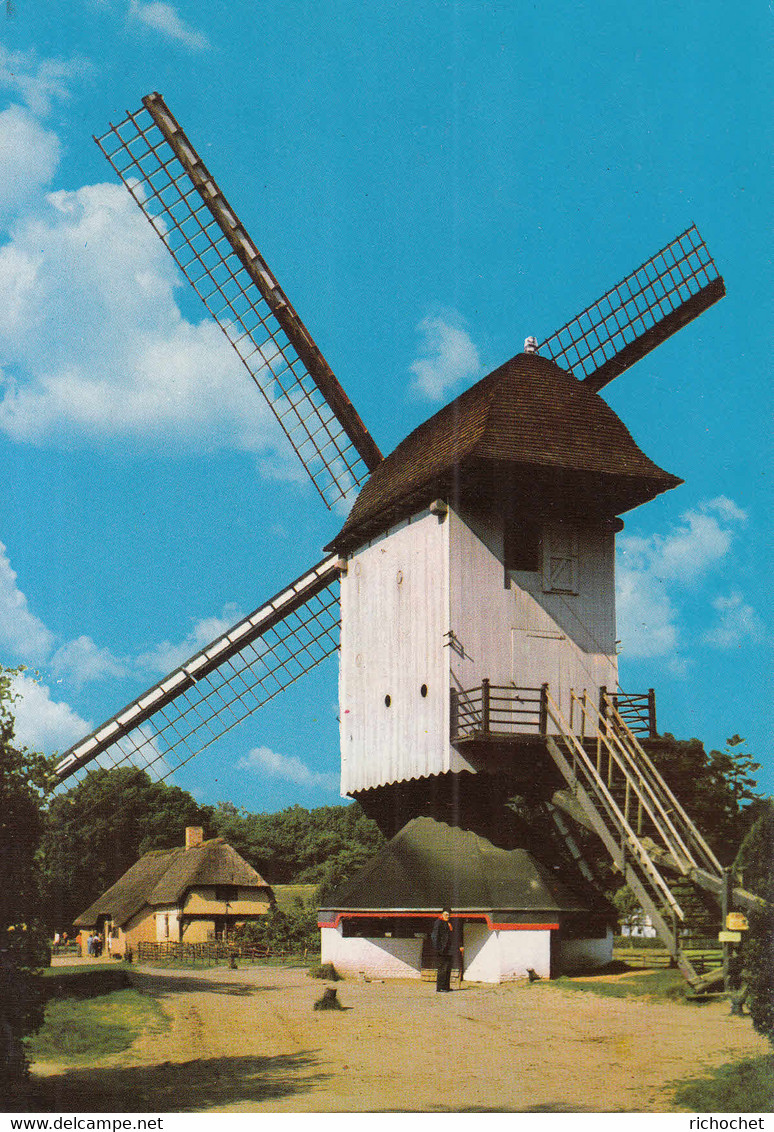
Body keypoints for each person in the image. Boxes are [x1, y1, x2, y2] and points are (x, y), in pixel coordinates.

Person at [430, 907, 462, 992]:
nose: (447, 916)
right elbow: (435, 936)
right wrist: (438, 948)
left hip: (449, 949)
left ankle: (446, 986)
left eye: (448, 915)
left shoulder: (449, 923)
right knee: (442, 969)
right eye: (446, 914)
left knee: (448, 968)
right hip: (442, 949)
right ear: (442, 915)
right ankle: (440, 987)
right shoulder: (438, 923)